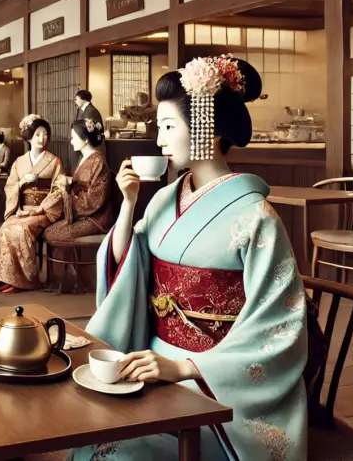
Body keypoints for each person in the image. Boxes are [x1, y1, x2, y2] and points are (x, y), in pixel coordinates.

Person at [72, 56, 308, 460]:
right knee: (88, 431)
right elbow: (126, 267)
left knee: (120, 453)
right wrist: (128, 206)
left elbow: (280, 324)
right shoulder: (165, 198)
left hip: (218, 382)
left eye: (168, 127)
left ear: (207, 130)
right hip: (150, 361)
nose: (159, 140)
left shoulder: (256, 216)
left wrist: (186, 368)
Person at [0, 115, 65, 292]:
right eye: (37, 134)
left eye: (45, 134)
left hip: (43, 211)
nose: (42, 138)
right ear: (29, 137)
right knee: (6, 228)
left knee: (21, 230)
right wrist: (22, 182)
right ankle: (6, 278)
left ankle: (25, 280)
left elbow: (59, 189)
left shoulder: (54, 161)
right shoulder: (19, 162)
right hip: (23, 210)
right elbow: (10, 187)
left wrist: (41, 207)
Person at [42, 119, 113, 274]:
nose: (71, 140)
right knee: (48, 230)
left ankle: (73, 276)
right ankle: (67, 274)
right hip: (83, 214)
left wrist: (67, 194)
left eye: (74, 137)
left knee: (54, 233)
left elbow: (94, 200)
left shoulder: (97, 161)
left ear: (86, 139)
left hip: (96, 218)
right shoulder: (86, 159)